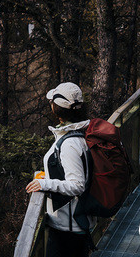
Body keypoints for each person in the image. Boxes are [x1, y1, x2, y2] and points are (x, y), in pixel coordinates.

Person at [25, 82, 96, 257]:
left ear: (57, 109)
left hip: (69, 229)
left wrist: (45, 184)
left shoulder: (70, 143)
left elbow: (77, 184)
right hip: (74, 223)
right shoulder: (78, 133)